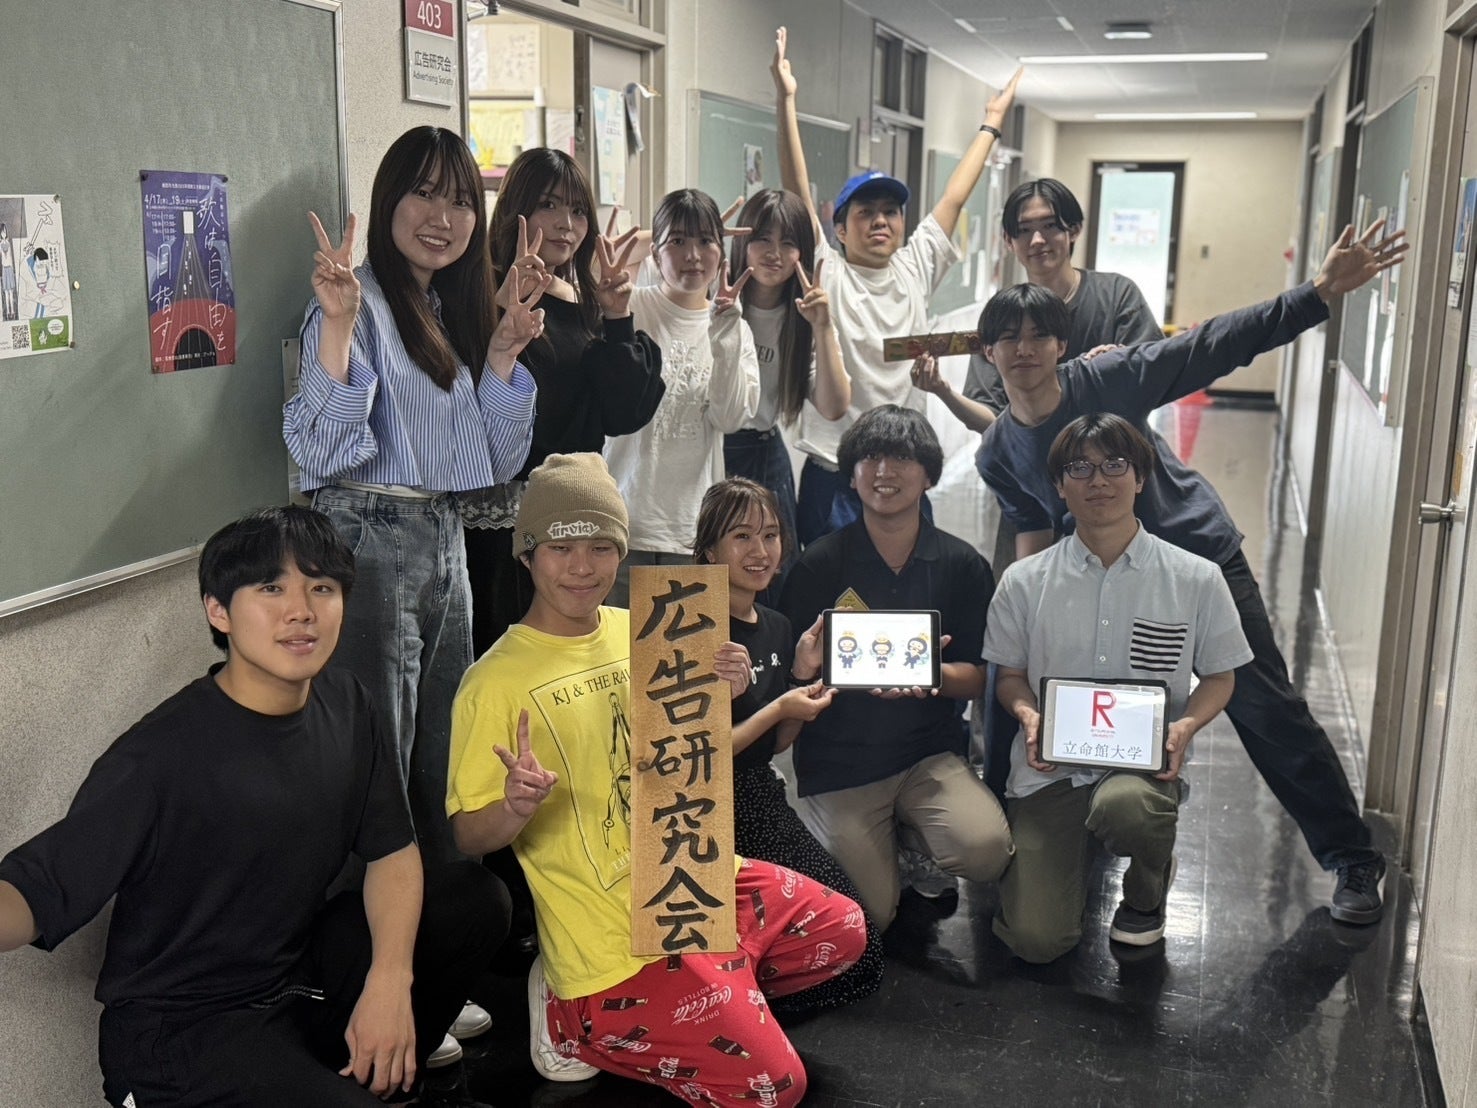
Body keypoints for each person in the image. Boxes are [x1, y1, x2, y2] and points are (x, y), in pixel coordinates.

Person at [974, 220, 1410, 924]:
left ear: (1061, 344)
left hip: (1195, 559)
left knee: (1263, 706)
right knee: (1050, 689)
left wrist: (1316, 293)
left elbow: (1210, 346)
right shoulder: (997, 449)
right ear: (987, 351)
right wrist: (1024, 616)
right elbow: (1032, 527)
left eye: (1038, 336)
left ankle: (1351, 857)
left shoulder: (1109, 377)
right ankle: (1074, 823)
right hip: (1100, 575)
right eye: (1008, 339)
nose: (1023, 350)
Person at [0, 507, 508, 1107]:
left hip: (295, 985)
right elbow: (35, 891)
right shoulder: (161, 755)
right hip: (184, 1032)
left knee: (473, 902)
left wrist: (390, 984)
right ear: (218, 611)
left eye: (321, 588)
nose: (301, 611)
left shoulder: (347, 703)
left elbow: (392, 851)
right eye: (271, 588)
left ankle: (378, 1074)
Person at [447, 453, 866, 1107]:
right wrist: (512, 806)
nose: (582, 567)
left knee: (842, 930)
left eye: (600, 546)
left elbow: (690, 756)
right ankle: (568, 1017)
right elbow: (468, 836)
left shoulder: (647, 628)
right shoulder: (493, 681)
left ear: (621, 552)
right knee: (775, 1088)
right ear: (526, 554)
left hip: (688, 880)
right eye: (560, 548)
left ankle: (718, 991)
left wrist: (724, 693)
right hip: (605, 939)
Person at [283, 126, 542, 866]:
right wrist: (338, 324)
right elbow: (320, 451)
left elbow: (494, 459)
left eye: (461, 201)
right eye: (423, 193)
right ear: (388, 198)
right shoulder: (353, 301)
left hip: (442, 534)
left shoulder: (442, 309)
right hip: (368, 535)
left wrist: (503, 350)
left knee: (443, 747)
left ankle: (436, 913)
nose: (443, 217)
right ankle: (372, 923)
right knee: (379, 757)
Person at [984, 415, 1253, 961]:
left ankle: (1147, 888)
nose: (1098, 481)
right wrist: (1028, 715)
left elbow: (1220, 676)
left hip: (1142, 769)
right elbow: (1009, 676)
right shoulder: (1024, 581)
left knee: (1128, 809)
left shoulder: (1196, 578)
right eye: (1079, 469)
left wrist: (1185, 724)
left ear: (1140, 477)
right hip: (1049, 772)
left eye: (1114, 465)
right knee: (1037, 942)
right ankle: (1073, 853)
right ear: (1060, 486)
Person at [771, 25, 1021, 543]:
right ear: (841, 229)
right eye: (866, 212)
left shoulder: (914, 267)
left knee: (907, 581)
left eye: (891, 211)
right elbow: (795, 189)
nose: (881, 221)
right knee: (831, 587)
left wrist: (991, 125)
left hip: (905, 467)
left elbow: (954, 197)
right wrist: (785, 100)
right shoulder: (827, 270)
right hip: (835, 471)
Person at [778, 406, 1013, 927]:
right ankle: (878, 845)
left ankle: (912, 839)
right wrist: (806, 670)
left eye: (902, 458)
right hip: (840, 763)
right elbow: (794, 679)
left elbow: (976, 678)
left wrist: (930, 674)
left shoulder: (961, 565)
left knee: (986, 851)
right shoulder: (820, 564)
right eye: (870, 458)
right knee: (871, 915)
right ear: (851, 474)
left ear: (929, 475)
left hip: (926, 755)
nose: (884, 472)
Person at [460, 146, 665, 656]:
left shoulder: (587, 301)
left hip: (574, 513)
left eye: (577, 210)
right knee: (509, 655)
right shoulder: (482, 291)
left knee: (573, 658)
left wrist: (617, 316)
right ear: (516, 208)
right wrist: (500, 308)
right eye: (548, 205)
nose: (565, 224)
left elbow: (623, 414)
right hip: (505, 524)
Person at [692, 477, 885, 1013]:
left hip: (759, 796)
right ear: (708, 549)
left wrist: (801, 678)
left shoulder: (777, 625)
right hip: (700, 810)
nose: (760, 551)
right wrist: (779, 705)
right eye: (742, 536)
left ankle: (746, 1005)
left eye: (771, 535)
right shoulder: (689, 627)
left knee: (861, 946)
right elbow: (699, 756)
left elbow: (775, 745)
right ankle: (728, 1007)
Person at [603, 188, 761, 607]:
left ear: (722, 254)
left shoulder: (735, 326)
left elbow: (730, 418)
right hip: (620, 525)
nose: (693, 255)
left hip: (692, 533)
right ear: (655, 253)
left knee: (686, 652)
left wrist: (724, 335)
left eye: (706, 241)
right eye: (678, 241)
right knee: (616, 647)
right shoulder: (627, 307)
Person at [916, 176, 1163, 430]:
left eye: (1050, 226)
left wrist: (1114, 365)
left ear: (1074, 230)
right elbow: (991, 418)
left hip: (1112, 448)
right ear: (1008, 241)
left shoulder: (1117, 295)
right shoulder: (1001, 314)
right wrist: (943, 391)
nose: (1037, 240)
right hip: (1029, 453)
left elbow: (1154, 376)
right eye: (1024, 230)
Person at [722, 189, 849, 560]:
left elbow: (835, 406)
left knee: (774, 569)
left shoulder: (804, 318)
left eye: (788, 242)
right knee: (711, 567)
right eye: (762, 238)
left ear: (803, 253)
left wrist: (823, 326)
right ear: (741, 241)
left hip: (763, 450)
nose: (774, 253)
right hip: (709, 450)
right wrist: (707, 234)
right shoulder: (717, 297)